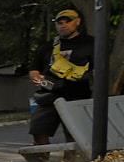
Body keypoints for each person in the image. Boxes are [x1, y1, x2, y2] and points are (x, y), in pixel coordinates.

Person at [28, 9, 93, 151]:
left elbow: (98, 69)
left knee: (74, 135)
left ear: (78, 22)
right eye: (60, 23)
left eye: (67, 22)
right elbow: (34, 70)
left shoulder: (90, 43)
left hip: (77, 96)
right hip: (48, 96)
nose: (63, 25)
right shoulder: (47, 46)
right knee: (38, 131)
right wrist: (39, 79)